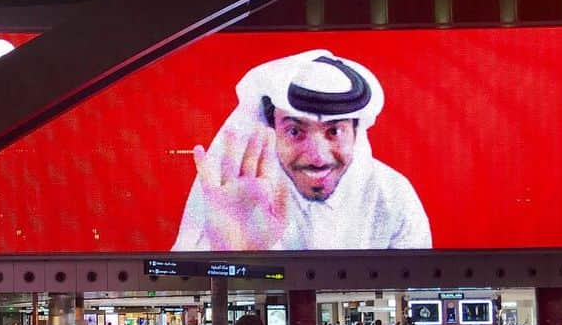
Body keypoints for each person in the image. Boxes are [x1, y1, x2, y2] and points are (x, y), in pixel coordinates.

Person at [172, 50, 431, 251]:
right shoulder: (234, 196)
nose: (317, 156)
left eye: (334, 131)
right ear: (272, 132)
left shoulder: (394, 198)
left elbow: (415, 295)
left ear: (356, 133)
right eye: (296, 131)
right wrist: (232, 253)